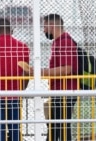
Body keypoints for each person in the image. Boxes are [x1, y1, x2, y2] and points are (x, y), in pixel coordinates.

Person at [26, 13, 78, 141]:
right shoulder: (57, 42)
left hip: (65, 92)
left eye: (44, 27)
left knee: (60, 127)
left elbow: (67, 69)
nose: (43, 30)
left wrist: (40, 72)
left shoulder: (65, 42)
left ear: (52, 25)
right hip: (59, 91)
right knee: (55, 126)